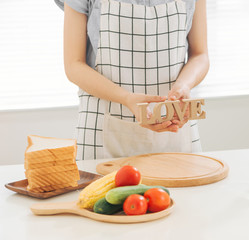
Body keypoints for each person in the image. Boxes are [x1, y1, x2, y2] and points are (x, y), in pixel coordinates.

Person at [55, 0, 209, 160]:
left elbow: (200, 55)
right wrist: (126, 98)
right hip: (100, 128)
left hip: (174, 128)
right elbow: (74, 65)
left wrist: (184, 85)